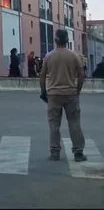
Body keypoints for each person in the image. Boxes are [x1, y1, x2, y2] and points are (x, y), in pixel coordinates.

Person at [40, 29, 86, 162]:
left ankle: (54, 153)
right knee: (74, 123)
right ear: (67, 41)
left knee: (54, 124)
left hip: (54, 94)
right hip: (71, 94)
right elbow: (81, 75)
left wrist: (43, 91)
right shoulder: (74, 56)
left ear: (55, 40)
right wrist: (77, 90)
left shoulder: (49, 56)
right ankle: (78, 153)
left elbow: (42, 75)